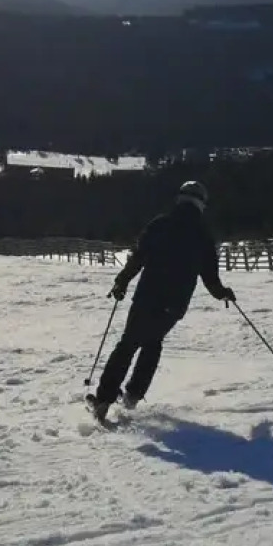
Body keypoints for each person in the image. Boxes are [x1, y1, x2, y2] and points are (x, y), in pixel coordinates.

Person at [87, 180, 235, 422]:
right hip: (175, 305)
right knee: (153, 342)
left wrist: (122, 281)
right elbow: (210, 277)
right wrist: (223, 293)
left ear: (180, 199)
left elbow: (138, 257)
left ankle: (104, 399)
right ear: (201, 204)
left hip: (147, 296)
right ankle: (133, 395)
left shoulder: (160, 224)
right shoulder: (203, 235)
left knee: (128, 344)